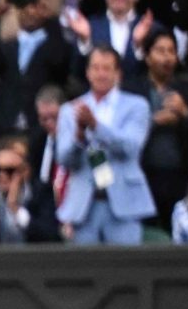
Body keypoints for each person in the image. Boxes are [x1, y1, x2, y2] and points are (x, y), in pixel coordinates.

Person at [56, 45, 151, 245]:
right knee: (85, 272)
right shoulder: (70, 110)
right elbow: (64, 159)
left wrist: (96, 126)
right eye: (96, 68)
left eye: (107, 68)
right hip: (84, 204)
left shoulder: (137, 106)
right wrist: (79, 137)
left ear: (118, 73)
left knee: (126, 271)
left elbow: (131, 147)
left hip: (124, 203)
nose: (101, 74)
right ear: (88, 72)